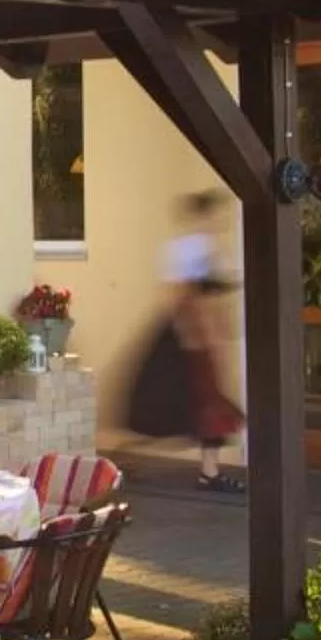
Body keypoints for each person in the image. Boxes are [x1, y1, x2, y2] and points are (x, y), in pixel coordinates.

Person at [126, 190, 246, 492]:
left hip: (199, 334)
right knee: (185, 403)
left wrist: (220, 329)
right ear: (202, 215)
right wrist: (193, 335)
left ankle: (209, 471)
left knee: (205, 404)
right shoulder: (187, 249)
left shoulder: (206, 248)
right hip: (188, 335)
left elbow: (211, 294)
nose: (219, 221)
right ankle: (138, 458)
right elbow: (181, 294)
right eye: (214, 215)